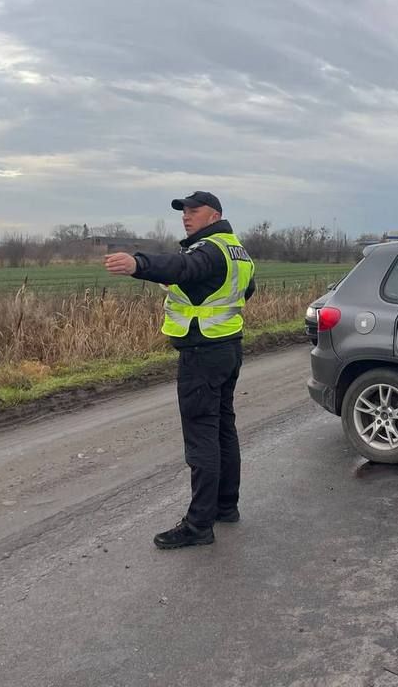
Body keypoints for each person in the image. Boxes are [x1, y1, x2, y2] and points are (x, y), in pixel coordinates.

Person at [104, 191, 256, 549]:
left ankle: (199, 524)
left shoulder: (209, 250)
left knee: (202, 437)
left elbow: (183, 268)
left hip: (202, 354)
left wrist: (138, 264)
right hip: (228, 347)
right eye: (184, 211)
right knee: (222, 429)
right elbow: (245, 289)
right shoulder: (238, 250)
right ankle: (225, 505)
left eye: (194, 210)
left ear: (214, 215)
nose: (187, 216)